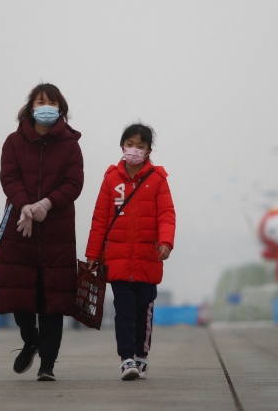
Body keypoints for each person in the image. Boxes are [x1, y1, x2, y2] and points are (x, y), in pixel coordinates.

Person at [0, 83, 84, 382]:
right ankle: (30, 339)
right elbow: (8, 177)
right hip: (20, 229)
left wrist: (47, 204)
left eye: (51, 102)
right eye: (39, 101)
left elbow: (74, 183)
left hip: (56, 233)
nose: (45, 106)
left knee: (52, 301)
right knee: (19, 297)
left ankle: (48, 363)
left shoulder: (70, 145)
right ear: (30, 106)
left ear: (60, 108)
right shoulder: (13, 142)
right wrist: (25, 206)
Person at [85, 123, 176, 381]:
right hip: (118, 261)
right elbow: (100, 219)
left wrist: (165, 243)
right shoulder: (111, 179)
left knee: (143, 311)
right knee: (123, 311)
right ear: (122, 145)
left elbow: (167, 215)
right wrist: (93, 255)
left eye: (141, 145)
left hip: (149, 259)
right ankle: (126, 360)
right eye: (130, 143)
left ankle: (141, 357)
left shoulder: (158, 180)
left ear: (148, 150)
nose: (134, 149)